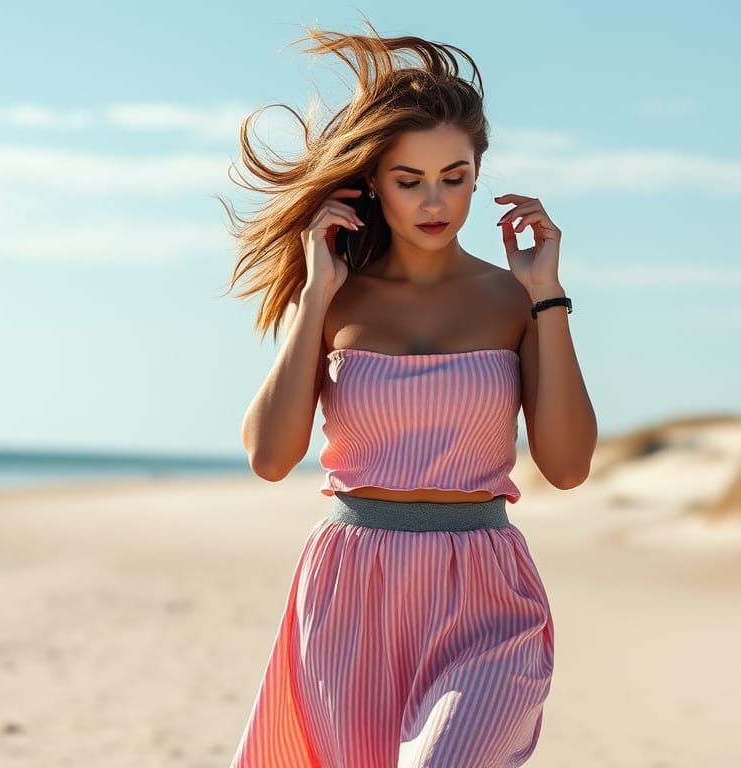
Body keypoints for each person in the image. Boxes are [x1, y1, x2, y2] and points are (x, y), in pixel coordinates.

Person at [220, 19, 597, 768]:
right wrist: (316, 299)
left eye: (454, 178)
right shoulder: (335, 297)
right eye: (410, 179)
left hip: (485, 587)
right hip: (354, 588)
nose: (435, 201)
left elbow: (567, 465)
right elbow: (269, 456)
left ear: (479, 175)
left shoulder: (514, 298)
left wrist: (547, 296)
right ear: (372, 182)